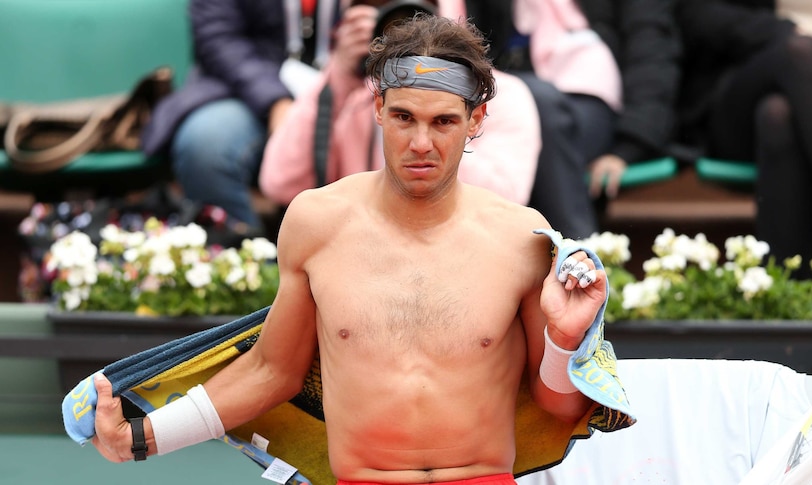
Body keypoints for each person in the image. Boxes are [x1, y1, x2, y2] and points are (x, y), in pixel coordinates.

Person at [89, 14, 617, 484]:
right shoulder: (317, 221)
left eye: (444, 122)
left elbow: (556, 405)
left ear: (476, 122)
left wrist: (566, 341)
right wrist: (144, 436)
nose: (421, 144)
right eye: (406, 117)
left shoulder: (521, 238)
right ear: (379, 108)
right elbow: (271, 370)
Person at [258, 0, 541, 208]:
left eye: (445, 120)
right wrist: (339, 76)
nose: (407, 32)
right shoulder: (349, 92)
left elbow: (504, 203)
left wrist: (439, 96)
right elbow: (280, 183)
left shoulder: (504, 95)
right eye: (402, 117)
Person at [464, 0, 681, 239]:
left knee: (540, 110)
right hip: (499, 104)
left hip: (588, 102)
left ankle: (577, 258)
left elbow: (650, 50)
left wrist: (630, 145)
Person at [675, 0, 812, 277]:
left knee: (778, 115)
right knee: (803, 52)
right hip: (743, 90)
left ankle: (786, 293)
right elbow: (698, 13)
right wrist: (789, 33)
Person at [140, 0, 339, 236]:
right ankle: (247, 259)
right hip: (246, 90)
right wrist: (275, 100)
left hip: (356, 89)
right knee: (206, 146)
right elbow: (218, 39)